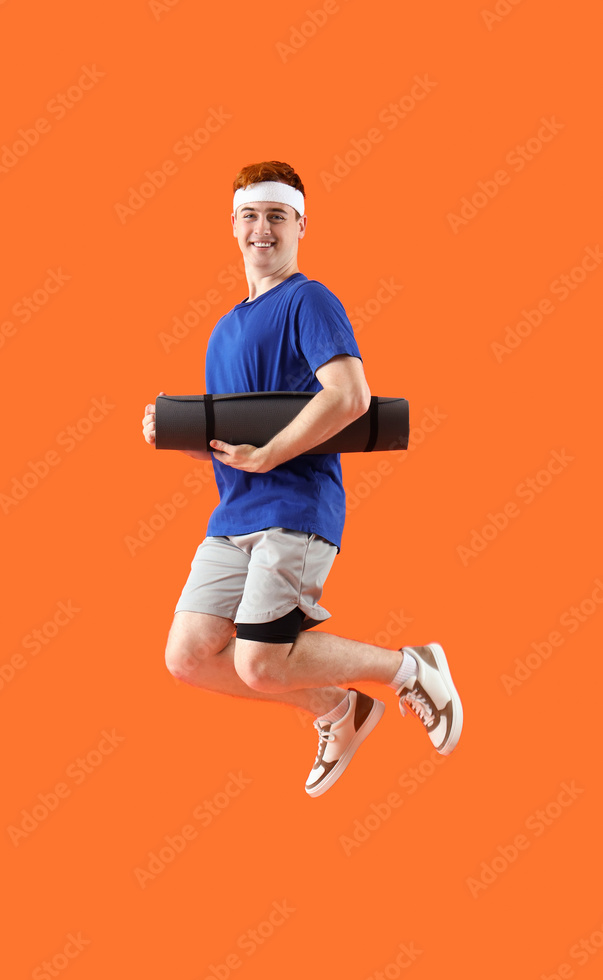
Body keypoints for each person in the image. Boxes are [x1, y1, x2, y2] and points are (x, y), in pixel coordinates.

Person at [142, 160, 462, 797]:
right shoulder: (222, 329)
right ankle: (339, 708)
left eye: (277, 216)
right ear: (233, 226)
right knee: (188, 656)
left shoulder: (309, 300)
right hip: (234, 517)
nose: (264, 228)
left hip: (295, 507)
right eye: (252, 215)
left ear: (300, 226)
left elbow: (349, 396)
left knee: (259, 660)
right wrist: (180, 436)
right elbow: (237, 437)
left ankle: (408, 667)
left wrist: (271, 457)